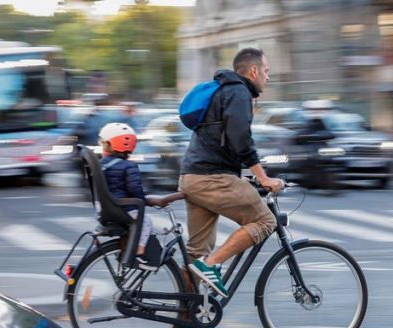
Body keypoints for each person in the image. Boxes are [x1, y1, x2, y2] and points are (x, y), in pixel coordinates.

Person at [179, 47, 284, 300]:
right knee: (266, 221)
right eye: (267, 71)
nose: (268, 77)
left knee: (195, 252)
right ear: (254, 70)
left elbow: (225, 142)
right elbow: (241, 139)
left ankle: (188, 313)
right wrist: (263, 178)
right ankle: (212, 265)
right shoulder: (238, 91)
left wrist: (246, 175)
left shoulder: (222, 91)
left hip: (191, 177)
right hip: (212, 178)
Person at [97, 122, 174, 269]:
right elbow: (135, 190)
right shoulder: (129, 166)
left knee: (137, 224)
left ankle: (125, 250)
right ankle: (139, 253)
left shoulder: (102, 164)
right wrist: (145, 200)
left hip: (108, 208)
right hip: (123, 208)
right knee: (146, 222)